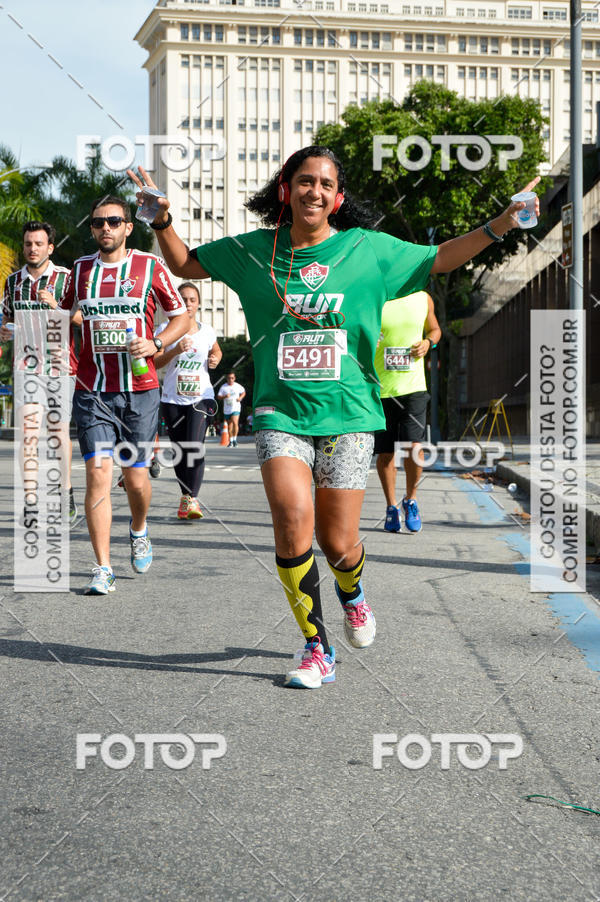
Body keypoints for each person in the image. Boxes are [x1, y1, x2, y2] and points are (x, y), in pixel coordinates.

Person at [128, 148, 539, 689]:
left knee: (339, 543)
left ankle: (354, 594)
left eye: (325, 183)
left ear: (338, 198)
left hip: (349, 414)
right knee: (292, 521)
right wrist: (160, 218)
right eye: (304, 181)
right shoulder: (255, 252)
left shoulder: (369, 250)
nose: (314, 191)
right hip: (281, 412)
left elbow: (440, 257)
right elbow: (184, 264)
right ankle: (316, 646)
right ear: (286, 190)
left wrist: (501, 223)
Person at [58, 196, 188, 595]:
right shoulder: (80, 270)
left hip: (140, 392)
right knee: (98, 473)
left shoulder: (149, 267)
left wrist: (156, 342)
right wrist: (64, 353)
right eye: (98, 223)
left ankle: (139, 528)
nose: (105, 228)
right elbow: (63, 317)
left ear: (128, 227)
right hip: (92, 390)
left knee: (134, 479)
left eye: (114, 221)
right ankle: (102, 567)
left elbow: (182, 316)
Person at [0, 221, 80, 525]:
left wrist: (57, 306)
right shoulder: (12, 282)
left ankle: (65, 491)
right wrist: (4, 333)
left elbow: (83, 318)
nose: (32, 249)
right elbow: (6, 316)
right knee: (29, 435)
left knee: (59, 433)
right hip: (26, 365)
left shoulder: (67, 279)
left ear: (50, 247)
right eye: (28, 244)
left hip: (60, 366)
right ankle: (31, 501)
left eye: (38, 244)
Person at [374, 290, 441, 533]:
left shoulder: (423, 297)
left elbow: (435, 330)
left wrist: (428, 342)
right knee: (385, 454)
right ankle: (391, 507)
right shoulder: (375, 295)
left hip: (413, 387)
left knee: (415, 447)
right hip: (381, 389)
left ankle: (410, 500)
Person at [153, 281, 222, 519]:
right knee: (180, 450)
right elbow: (155, 363)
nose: (188, 304)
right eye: (183, 299)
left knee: (194, 446)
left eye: (192, 299)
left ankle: (192, 498)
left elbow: (217, 350)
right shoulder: (165, 329)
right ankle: (186, 498)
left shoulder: (207, 330)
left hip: (201, 398)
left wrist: (215, 360)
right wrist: (175, 350)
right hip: (172, 398)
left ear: (199, 303)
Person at [217, 372, 245, 447]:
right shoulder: (223, 387)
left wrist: (240, 398)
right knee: (230, 425)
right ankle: (231, 441)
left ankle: (235, 440)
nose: (231, 379)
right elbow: (219, 397)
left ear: (234, 378)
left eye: (232, 378)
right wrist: (225, 396)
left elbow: (243, 392)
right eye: (229, 378)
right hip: (227, 409)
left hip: (236, 407)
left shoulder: (237, 386)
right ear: (227, 379)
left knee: (235, 422)